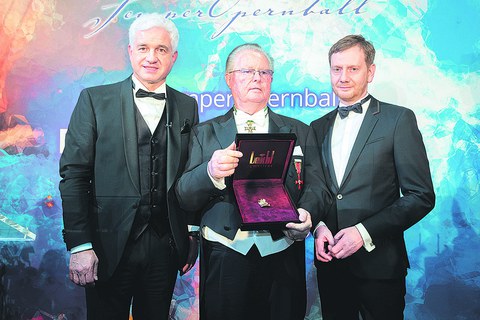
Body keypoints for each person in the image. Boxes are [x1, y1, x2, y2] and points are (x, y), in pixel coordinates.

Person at [59, 13, 199, 320]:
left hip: (165, 248)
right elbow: (74, 176)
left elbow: (190, 175)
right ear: (130, 52)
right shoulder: (94, 100)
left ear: (173, 57)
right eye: (143, 48)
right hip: (106, 247)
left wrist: (192, 232)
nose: (152, 57)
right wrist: (80, 244)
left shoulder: (188, 106)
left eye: (161, 49)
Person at [175, 43, 325, 320]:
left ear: (271, 80)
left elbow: (317, 187)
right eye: (247, 71)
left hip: (284, 249)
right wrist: (211, 172)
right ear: (229, 79)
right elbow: (184, 195)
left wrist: (308, 214)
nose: (257, 77)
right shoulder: (203, 133)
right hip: (225, 251)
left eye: (264, 72)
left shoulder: (300, 131)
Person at [310, 34, 436, 320]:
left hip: (380, 266)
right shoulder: (316, 127)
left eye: (353, 68)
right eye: (336, 69)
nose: (343, 77)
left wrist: (362, 232)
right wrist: (317, 228)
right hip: (331, 266)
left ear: (371, 71)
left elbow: (421, 196)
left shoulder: (398, 120)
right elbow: (315, 190)